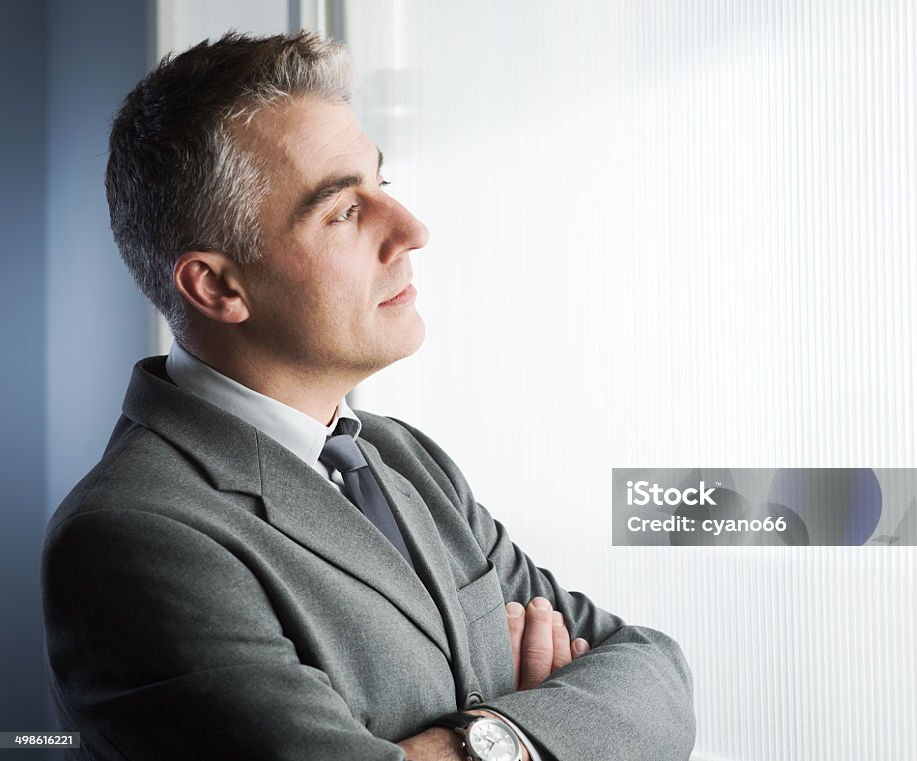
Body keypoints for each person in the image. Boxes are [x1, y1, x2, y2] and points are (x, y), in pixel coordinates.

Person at [41, 31, 695, 761]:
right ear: (219, 286)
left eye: (380, 184)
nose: (411, 229)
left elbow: (654, 673)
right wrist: (530, 728)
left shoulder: (401, 455)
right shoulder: (134, 536)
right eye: (343, 210)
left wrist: (485, 739)